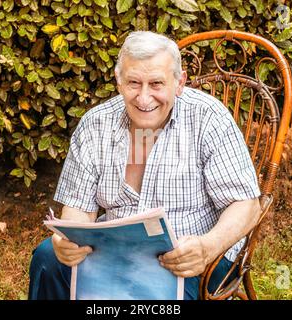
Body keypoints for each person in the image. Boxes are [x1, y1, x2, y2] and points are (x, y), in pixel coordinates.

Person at [28, 31, 261, 300]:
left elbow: (246, 205)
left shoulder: (208, 118)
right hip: (115, 254)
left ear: (179, 82)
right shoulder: (96, 124)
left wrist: (208, 247)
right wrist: (68, 242)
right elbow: (77, 210)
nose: (144, 97)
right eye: (134, 83)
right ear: (118, 82)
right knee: (48, 257)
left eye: (157, 84)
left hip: (189, 260)